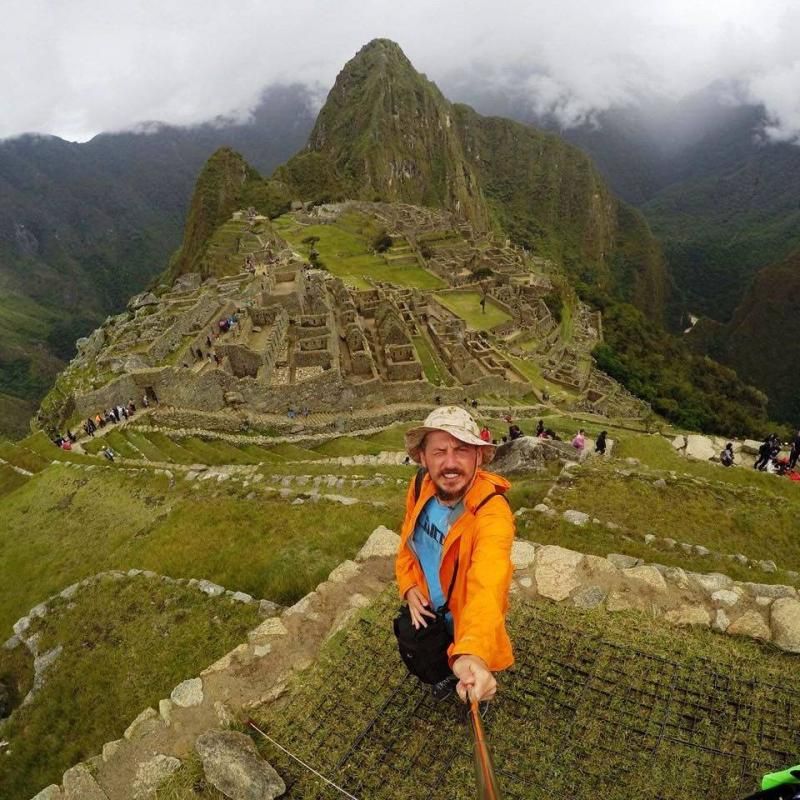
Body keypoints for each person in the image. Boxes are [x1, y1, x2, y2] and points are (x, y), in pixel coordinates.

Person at [396, 406, 515, 704]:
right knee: (414, 642)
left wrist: (473, 651)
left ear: (479, 457)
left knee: (461, 668)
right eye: (439, 452)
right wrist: (409, 585)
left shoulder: (491, 514)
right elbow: (408, 538)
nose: (450, 463)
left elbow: (489, 582)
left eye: (461, 450)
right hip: (426, 604)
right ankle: (443, 679)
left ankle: (460, 676)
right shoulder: (420, 485)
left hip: (465, 618)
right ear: (423, 458)